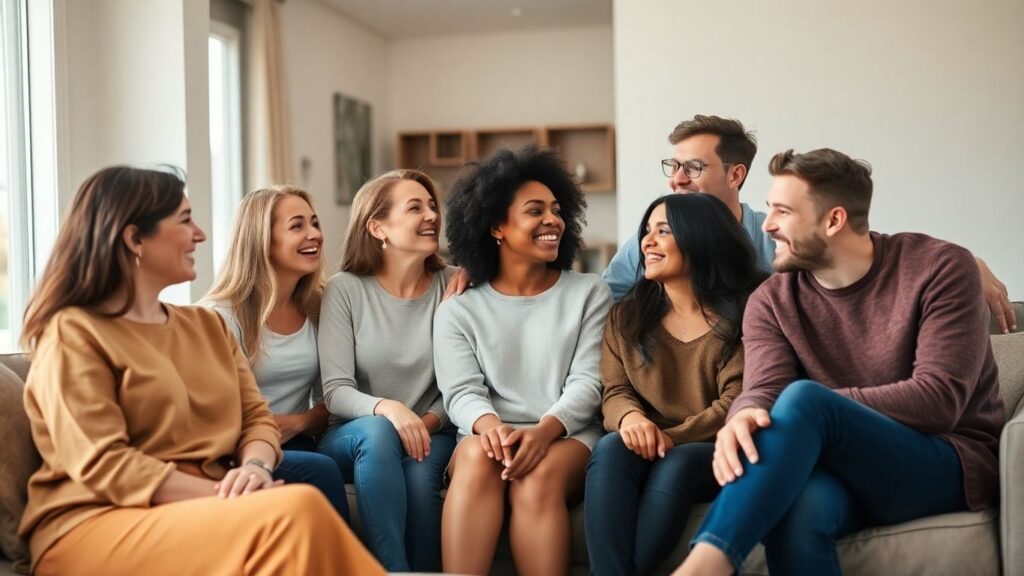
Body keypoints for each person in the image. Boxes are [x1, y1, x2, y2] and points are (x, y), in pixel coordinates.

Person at [18, 166, 382, 576]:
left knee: (299, 512)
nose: (200, 234)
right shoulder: (73, 334)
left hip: (202, 507)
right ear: (135, 238)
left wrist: (255, 468)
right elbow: (104, 465)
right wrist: (226, 494)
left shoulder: (205, 327)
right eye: (185, 220)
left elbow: (256, 419)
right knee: (295, 509)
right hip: (95, 523)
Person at [673, 149, 1005, 576]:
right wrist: (744, 413)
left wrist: (818, 413)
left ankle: (705, 566)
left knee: (805, 400)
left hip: (946, 462)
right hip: (836, 466)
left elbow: (940, 399)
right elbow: (763, 390)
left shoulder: (940, 268)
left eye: (782, 212)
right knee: (797, 513)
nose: (767, 224)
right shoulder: (771, 301)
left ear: (833, 220)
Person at [600, 115, 1017, 334]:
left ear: (735, 175)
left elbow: (861, 252)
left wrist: (965, 262)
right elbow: (597, 311)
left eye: (692, 167)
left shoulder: (779, 239)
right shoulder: (645, 244)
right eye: (672, 165)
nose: (676, 179)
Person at [434, 146, 612, 576]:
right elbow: (460, 392)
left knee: (537, 476)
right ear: (496, 225)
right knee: (477, 457)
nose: (552, 220)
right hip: (489, 433)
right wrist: (492, 428)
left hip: (566, 434)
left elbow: (589, 383)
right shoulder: (459, 309)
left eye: (556, 210)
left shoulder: (589, 293)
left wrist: (544, 431)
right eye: (535, 211)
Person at [584, 193, 765, 576]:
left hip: (714, 446)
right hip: (643, 440)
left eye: (662, 231)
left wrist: (670, 438)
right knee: (613, 447)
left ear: (699, 236)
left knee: (678, 464)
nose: (647, 242)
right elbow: (615, 391)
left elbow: (737, 400)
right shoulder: (626, 316)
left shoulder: (749, 311)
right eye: (646, 231)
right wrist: (631, 419)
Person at [316, 169, 457, 572]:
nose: (431, 215)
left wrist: (424, 423)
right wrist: (389, 410)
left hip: (433, 430)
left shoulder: (454, 284)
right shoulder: (344, 289)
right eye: (415, 208)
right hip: (356, 434)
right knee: (379, 433)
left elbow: (466, 380)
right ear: (378, 227)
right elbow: (336, 391)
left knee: (418, 480)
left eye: (432, 206)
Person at [204, 185, 349, 521]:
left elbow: (331, 399)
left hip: (297, 439)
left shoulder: (319, 306)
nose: (314, 234)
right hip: (237, 445)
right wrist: (261, 434)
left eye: (314, 223)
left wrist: (298, 422)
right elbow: (211, 412)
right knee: (321, 471)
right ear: (262, 241)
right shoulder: (222, 315)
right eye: (297, 226)